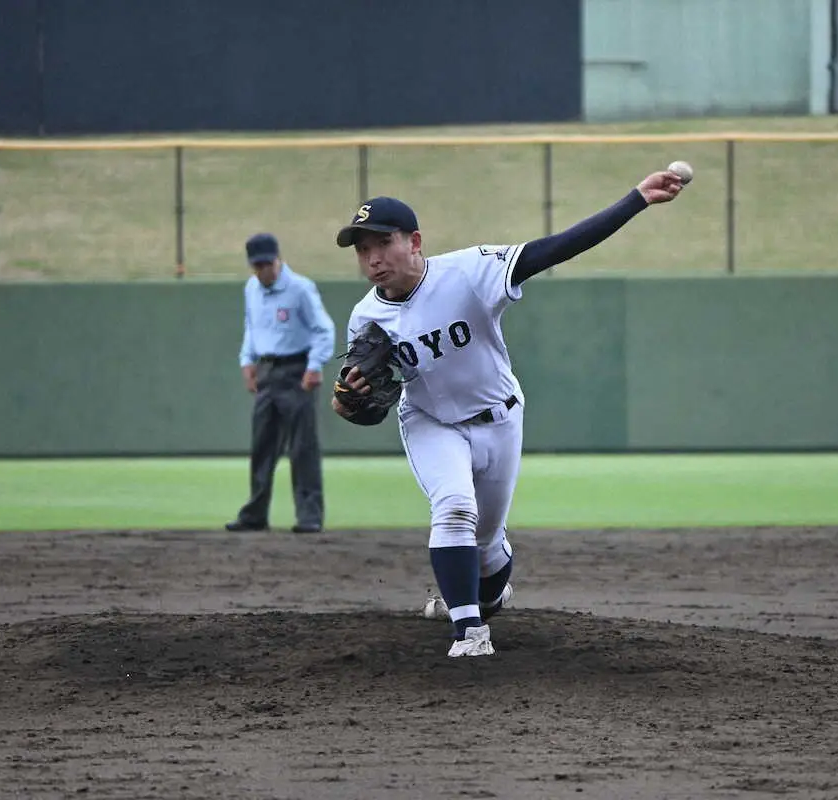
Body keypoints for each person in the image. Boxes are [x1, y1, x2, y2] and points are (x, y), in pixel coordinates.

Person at [331, 169, 685, 656]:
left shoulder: (469, 272)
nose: (372, 258)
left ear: (414, 241)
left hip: (500, 417)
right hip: (431, 422)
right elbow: (361, 400)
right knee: (454, 508)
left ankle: (485, 599)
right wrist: (347, 400)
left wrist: (636, 200)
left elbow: (555, 248)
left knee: (487, 546)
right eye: (361, 248)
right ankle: (469, 633)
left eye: (382, 242)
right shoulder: (366, 317)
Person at [226, 232, 335, 534]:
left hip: (296, 371)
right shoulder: (252, 289)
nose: (263, 272)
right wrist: (247, 360)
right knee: (262, 446)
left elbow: (323, 329)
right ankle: (255, 513)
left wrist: (314, 366)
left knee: (302, 447)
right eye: (257, 266)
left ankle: (309, 515)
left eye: (267, 264)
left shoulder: (300, 288)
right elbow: (252, 326)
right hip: (266, 371)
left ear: (278, 260)